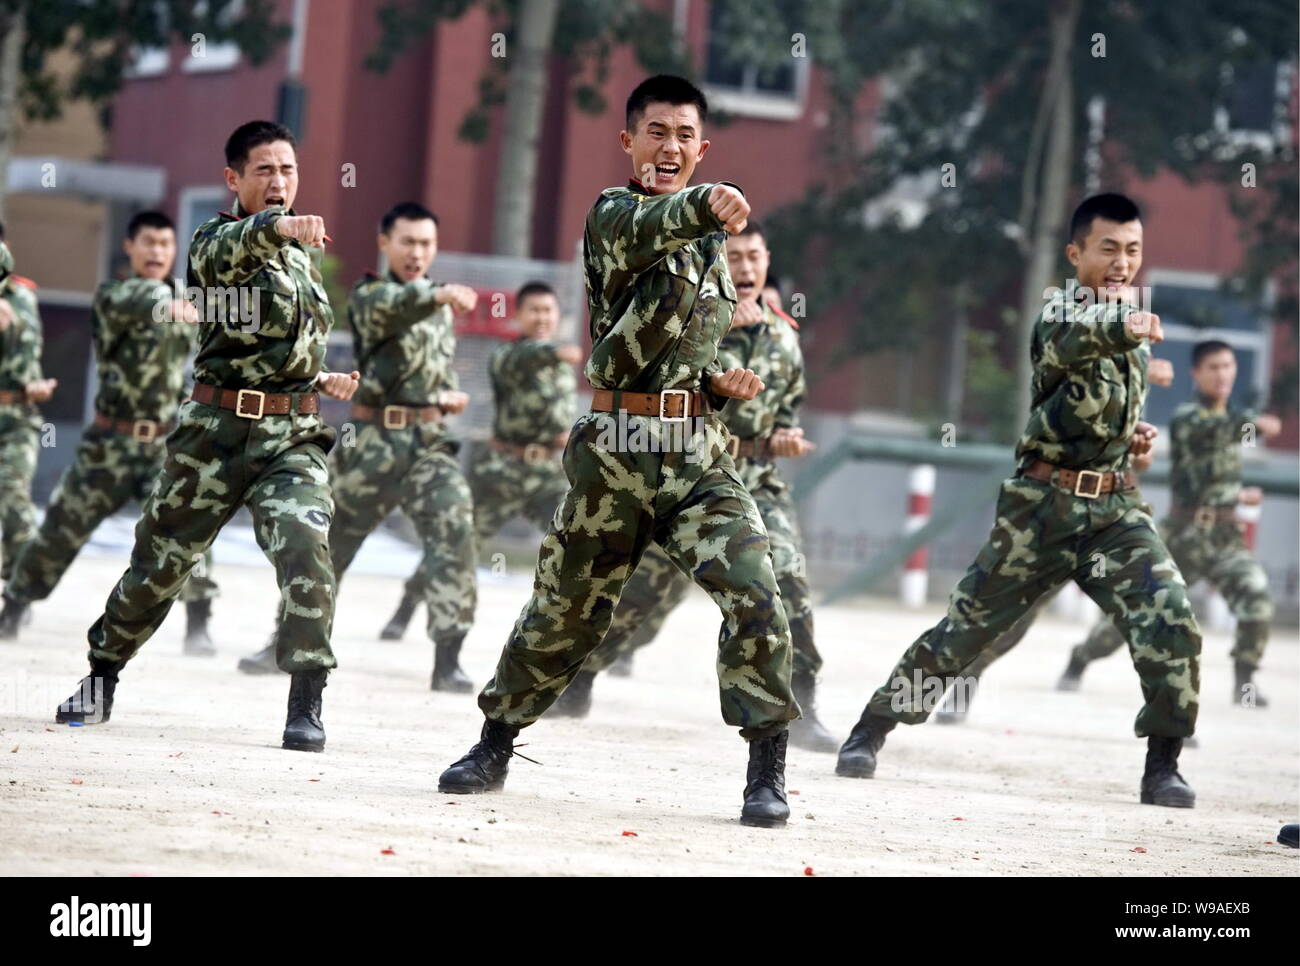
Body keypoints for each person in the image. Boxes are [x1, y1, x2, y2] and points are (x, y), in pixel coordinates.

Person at [435, 75, 799, 828]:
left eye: (683, 136)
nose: (669, 148)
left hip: (697, 454)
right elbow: (644, 235)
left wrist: (718, 387)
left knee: (756, 591)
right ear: (629, 141)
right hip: (617, 455)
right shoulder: (616, 214)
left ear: (702, 146)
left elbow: (677, 350)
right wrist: (708, 200)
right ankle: (494, 743)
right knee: (566, 609)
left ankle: (767, 769)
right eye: (655, 132)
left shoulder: (709, 252)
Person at [837, 193, 1203, 809]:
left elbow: (1101, 412)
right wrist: (1129, 323)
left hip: (1115, 511)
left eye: (1133, 251)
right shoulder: (1064, 311)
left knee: (1171, 619)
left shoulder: (1132, 332)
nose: (1122, 263)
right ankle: (872, 728)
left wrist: (1132, 438)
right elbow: (1066, 344)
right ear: (1076, 253)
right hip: (1042, 509)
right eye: (1108, 249)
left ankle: (1163, 766)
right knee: (966, 633)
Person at [52, 120, 358, 753]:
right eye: (265, 170)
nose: (280, 182)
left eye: (289, 170)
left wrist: (320, 377)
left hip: (290, 436)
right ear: (235, 179)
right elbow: (230, 260)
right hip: (214, 437)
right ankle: (101, 675)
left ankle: (306, 699)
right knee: (159, 564)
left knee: (306, 547)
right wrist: (277, 226)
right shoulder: (212, 240)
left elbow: (277, 339)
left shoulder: (304, 259)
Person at [551, 225, 836, 753]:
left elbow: (787, 410)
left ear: (768, 262)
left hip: (757, 480)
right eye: (736, 257)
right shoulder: (698, 317)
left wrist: (785, 438)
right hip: (688, 472)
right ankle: (582, 675)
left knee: (787, 581)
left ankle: (803, 703)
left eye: (755, 257)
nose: (747, 269)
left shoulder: (784, 336)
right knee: (641, 597)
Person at [235, 201, 480, 691]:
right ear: (385, 243)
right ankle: (287, 639)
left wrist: (445, 395)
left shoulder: (437, 309)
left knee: (454, 533)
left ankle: (448, 658)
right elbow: (392, 309)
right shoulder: (374, 294)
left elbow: (429, 367)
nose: (417, 253)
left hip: (428, 445)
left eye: (426, 244)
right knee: (326, 550)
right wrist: (438, 294)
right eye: (407, 242)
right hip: (371, 446)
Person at [0, 212, 219, 652]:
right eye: (148, 243)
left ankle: (199, 622)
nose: (157, 252)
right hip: (109, 444)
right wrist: (179, 304)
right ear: (130, 248)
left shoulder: (185, 302)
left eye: (165, 244)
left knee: (187, 528)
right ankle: (15, 606)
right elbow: (146, 300)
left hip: (164, 442)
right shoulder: (115, 294)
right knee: (59, 530)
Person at [930, 357, 1174, 723]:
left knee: (1159, 607)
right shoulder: (1074, 364)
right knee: (1014, 618)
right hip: (1059, 517)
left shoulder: (1134, 382)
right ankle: (966, 679)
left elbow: (1139, 463)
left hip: (1115, 519)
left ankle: (1173, 722)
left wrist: (1139, 453)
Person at [1054, 340, 1281, 706]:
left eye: (1228, 366)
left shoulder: (1232, 419)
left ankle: (1245, 684)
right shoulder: (1190, 417)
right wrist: (1256, 425)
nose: (1222, 374)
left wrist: (1238, 496)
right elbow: (1219, 433)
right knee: (1139, 613)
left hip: (1224, 536)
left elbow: (1211, 471)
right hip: (1182, 537)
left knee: (1257, 599)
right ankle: (1081, 657)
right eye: (1213, 367)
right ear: (1197, 374)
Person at [378, 281, 580, 649]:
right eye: (534, 310)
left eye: (548, 311)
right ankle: (405, 608)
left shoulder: (560, 366)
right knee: (457, 546)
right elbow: (530, 356)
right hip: (500, 474)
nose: (542, 317)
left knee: (576, 540)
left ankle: (558, 636)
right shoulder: (509, 355)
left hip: (546, 475)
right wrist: (557, 351)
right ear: (518, 315)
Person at [0, 224, 57, 590]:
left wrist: (34, 385)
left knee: (12, 495)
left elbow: (26, 356)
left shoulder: (20, 296)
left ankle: (19, 592)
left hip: (15, 416)